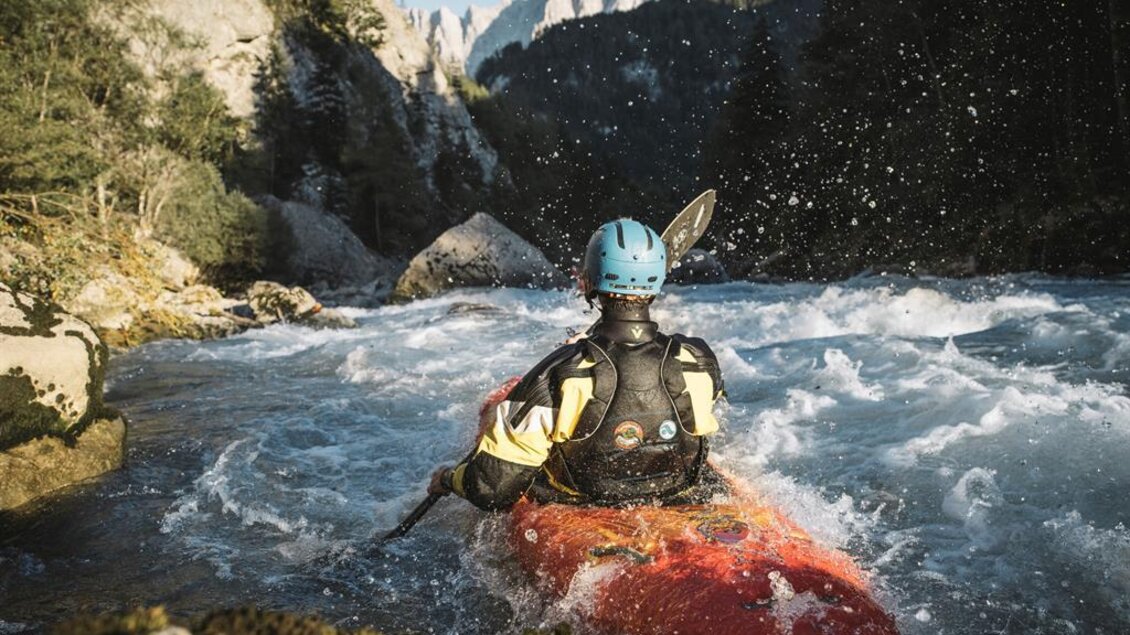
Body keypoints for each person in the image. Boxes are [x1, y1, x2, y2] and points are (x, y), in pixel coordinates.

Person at [428, 219, 726, 509]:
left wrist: (449, 479)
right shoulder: (700, 359)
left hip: (583, 499)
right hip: (675, 487)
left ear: (589, 281)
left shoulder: (558, 374)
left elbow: (493, 490)